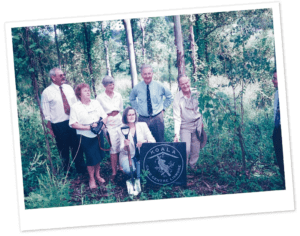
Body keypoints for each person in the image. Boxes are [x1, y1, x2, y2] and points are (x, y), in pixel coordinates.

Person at [41, 68, 85, 174]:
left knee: (77, 147)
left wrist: (80, 119)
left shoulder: (68, 88)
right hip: (59, 125)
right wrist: (50, 129)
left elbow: (75, 105)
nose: (63, 77)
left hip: (72, 122)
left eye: (63, 74)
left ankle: (81, 169)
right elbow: (46, 114)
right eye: (60, 75)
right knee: (63, 149)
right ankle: (67, 171)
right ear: (53, 77)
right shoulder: (47, 92)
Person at [69, 83, 108, 189]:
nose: (88, 92)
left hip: (98, 133)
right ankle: (91, 179)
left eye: (88, 90)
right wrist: (89, 128)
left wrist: (101, 126)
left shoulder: (95, 103)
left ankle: (98, 175)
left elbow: (104, 116)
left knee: (99, 156)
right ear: (79, 94)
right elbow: (73, 124)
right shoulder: (75, 107)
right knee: (91, 158)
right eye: (85, 91)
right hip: (85, 136)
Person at [129, 64, 173, 142]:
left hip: (157, 118)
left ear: (152, 74)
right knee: (143, 141)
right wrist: (136, 109)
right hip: (143, 118)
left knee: (160, 141)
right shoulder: (137, 87)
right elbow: (132, 98)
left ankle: (160, 154)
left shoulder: (159, 86)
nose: (147, 76)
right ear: (141, 75)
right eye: (145, 74)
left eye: (149, 73)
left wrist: (163, 108)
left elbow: (169, 96)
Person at [96, 76, 123, 181]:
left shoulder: (118, 95)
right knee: (113, 148)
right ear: (104, 86)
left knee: (121, 145)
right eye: (109, 85)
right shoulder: (100, 97)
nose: (112, 86)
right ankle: (114, 171)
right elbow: (99, 113)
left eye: (113, 84)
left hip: (119, 121)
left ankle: (121, 167)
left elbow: (120, 109)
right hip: (109, 124)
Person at [173, 75, 203, 170]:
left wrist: (202, 122)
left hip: (197, 124)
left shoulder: (197, 93)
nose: (185, 85)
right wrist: (176, 134)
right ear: (179, 85)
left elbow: (203, 108)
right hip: (185, 125)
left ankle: (193, 166)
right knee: (186, 149)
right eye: (182, 84)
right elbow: (177, 117)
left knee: (196, 149)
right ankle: (183, 168)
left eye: (186, 83)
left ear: (189, 81)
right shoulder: (177, 98)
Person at [118, 107, 156, 178]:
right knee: (129, 170)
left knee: (144, 172)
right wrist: (126, 146)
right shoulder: (122, 129)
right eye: (129, 115)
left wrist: (144, 142)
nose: (132, 116)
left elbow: (153, 141)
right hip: (127, 156)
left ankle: (138, 174)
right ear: (125, 117)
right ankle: (133, 173)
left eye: (133, 114)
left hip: (142, 155)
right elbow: (121, 149)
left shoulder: (143, 125)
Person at [272, 71, 285, 183]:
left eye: (275, 78)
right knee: (278, 150)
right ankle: (283, 174)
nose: (273, 81)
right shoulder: (277, 93)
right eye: (273, 78)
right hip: (277, 126)